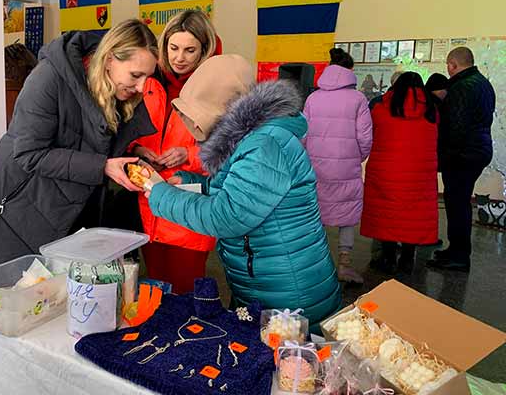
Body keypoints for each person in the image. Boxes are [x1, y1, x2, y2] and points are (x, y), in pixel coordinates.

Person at [0, 19, 159, 323]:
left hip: (62, 216)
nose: (141, 86)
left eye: (147, 77)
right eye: (136, 75)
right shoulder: (49, 78)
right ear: (110, 58)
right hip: (15, 212)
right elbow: (29, 153)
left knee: (45, 315)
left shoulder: (113, 86)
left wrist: (132, 152)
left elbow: (91, 140)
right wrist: (103, 167)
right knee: (3, 317)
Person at [146, 55, 342, 333]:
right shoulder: (248, 138)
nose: (192, 125)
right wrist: (192, 182)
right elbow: (239, 187)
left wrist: (161, 194)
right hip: (264, 283)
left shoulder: (265, 145)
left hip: (289, 292)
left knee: (292, 370)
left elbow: (227, 215)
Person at [130, 10, 219, 294]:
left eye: (190, 50)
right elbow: (128, 131)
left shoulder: (217, 90)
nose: (179, 57)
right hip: (149, 202)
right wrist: (137, 148)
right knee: (155, 288)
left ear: (205, 50)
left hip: (189, 207)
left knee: (186, 290)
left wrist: (188, 155)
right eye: (173, 48)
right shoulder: (148, 83)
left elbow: (229, 154)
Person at [303, 48, 372, 284]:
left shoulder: (313, 98)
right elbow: (365, 137)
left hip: (316, 166)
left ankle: (316, 267)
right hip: (347, 166)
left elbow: (303, 134)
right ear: (350, 71)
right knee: (348, 215)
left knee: (315, 214)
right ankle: (344, 266)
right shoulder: (358, 99)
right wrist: (357, 157)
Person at [361, 72, 439, 273]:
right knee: (414, 216)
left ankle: (387, 259)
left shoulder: (380, 107)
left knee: (386, 215)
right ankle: (407, 258)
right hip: (419, 174)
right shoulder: (432, 109)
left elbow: (370, 134)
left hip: (386, 171)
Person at [428, 47, 496, 272]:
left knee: (456, 203)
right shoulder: (483, 83)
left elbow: (454, 128)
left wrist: (443, 157)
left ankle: (459, 255)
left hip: (462, 153)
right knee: (460, 201)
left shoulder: (459, 87)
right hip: (479, 148)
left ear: (452, 65)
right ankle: (456, 248)